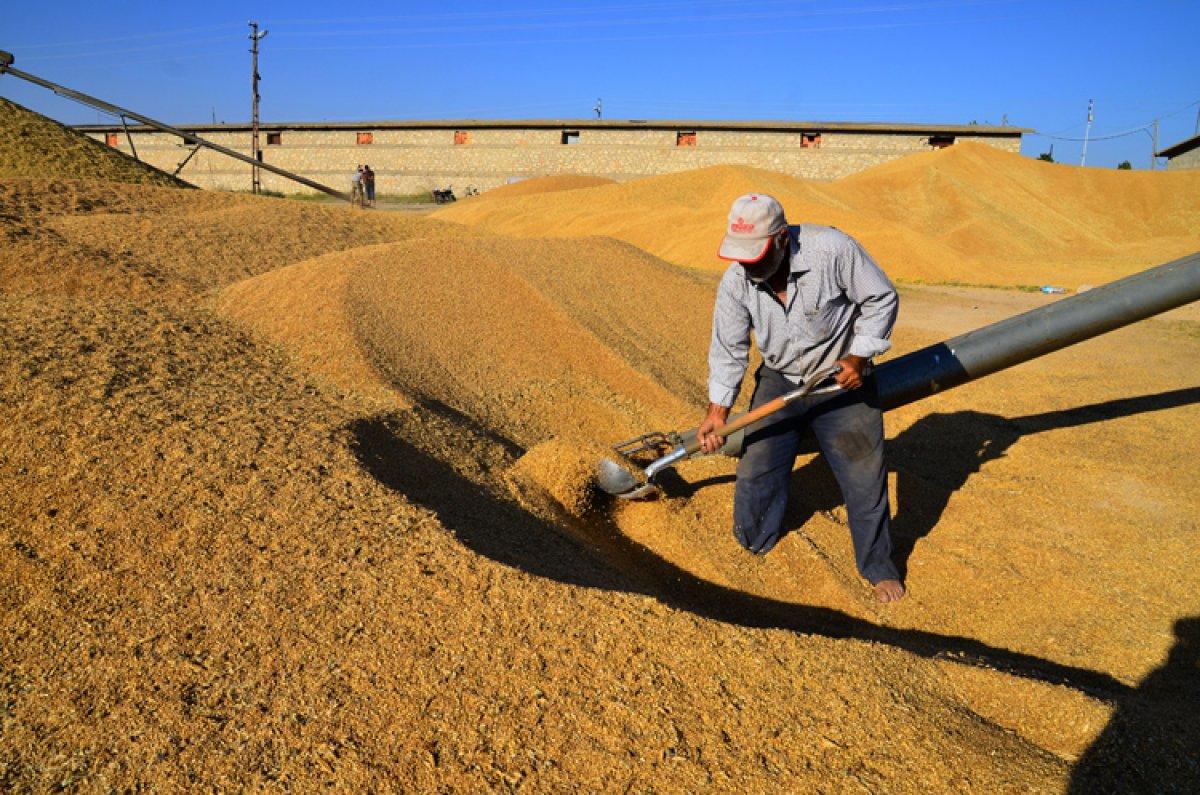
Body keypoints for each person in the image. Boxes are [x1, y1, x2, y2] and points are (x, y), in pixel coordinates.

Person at [698, 193, 906, 603]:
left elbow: (881, 298)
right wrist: (718, 411)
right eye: (740, 256)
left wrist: (859, 356)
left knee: (864, 473)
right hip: (780, 377)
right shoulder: (738, 279)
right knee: (757, 467)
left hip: (841, 378)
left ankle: (878, 566)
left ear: (780, 239)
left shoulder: (833, 250)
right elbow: (729, 347)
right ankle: (752, 545)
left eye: (755, 255)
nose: (748, 265)